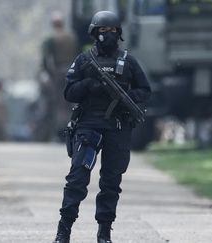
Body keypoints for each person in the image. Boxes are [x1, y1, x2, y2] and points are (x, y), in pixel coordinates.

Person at [53, 11, 151, 243]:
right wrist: (88, 85)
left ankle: (104, 232)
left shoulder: (128, 62)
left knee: (111, 182)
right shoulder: (84, 61)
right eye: (102, 31)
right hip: (89, 125)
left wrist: (126, 95)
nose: (107, 35)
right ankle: (63, 230)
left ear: (119, 34)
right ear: (94, 34)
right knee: (77, 178)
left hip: (117, 126)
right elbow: (68, 93)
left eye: (112, 31)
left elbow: (145, 92)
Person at [38, 11, 78, 141]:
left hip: (58, 74)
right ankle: (73, 128)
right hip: (72, 72)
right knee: (71, 101)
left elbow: (45, 59)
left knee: (59, 103)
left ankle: (61, 132)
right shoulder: (72, 37)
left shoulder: (51, 38)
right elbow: (78, 54)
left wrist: (49, 72)